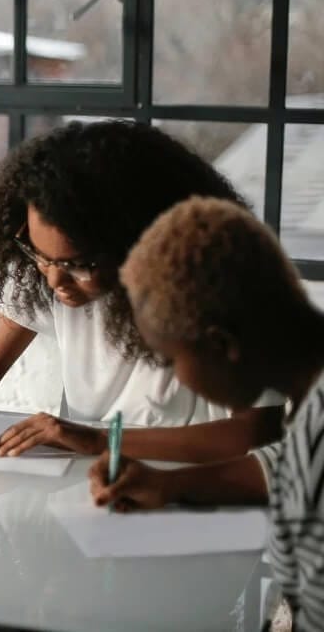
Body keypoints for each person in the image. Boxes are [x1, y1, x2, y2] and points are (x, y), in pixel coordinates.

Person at [0, 120, 283, 461]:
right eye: (39, 255)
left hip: (186, 491)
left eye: (77, 265)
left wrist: (99, 440)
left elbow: (257, 431)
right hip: (84, 485)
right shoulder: (44, 272)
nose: (53, 281)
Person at [89, 197, 323, 629]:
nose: (172, 376)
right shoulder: (311, 395)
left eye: (169, 360)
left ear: (220, 346)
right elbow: (287, 464)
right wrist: (168, 485)